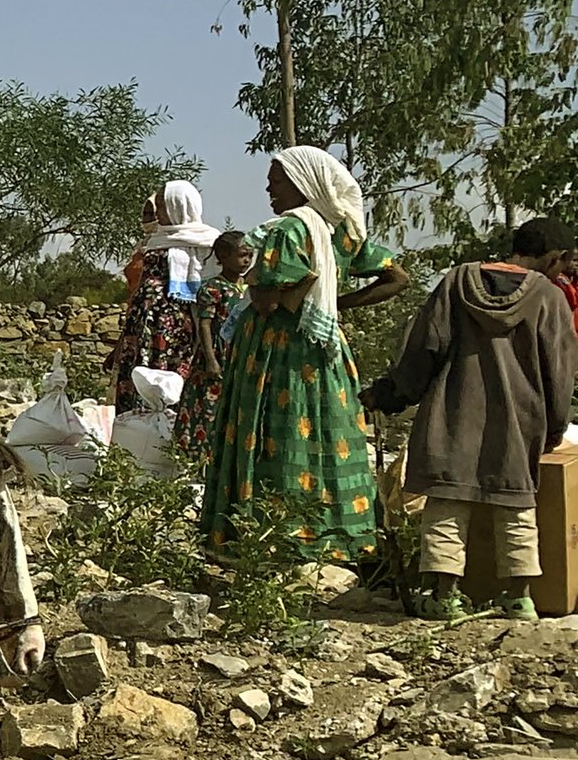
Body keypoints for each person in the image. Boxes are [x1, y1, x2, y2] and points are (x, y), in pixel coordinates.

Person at [199, 147, 412, 561]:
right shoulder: (342, 231)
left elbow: (263, 300)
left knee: (271, 433)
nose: (268, 188)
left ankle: (267, 538)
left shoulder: (286, 231)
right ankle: (338, 536)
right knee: (327, 431)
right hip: (325, 350)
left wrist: (270, 289)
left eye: (276, 180)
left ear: (304, 184)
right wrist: (336, 304)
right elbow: (398, 277)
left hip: (276, 353)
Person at [363, 219, 578, 620]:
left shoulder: (456, 283)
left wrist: (392, 395)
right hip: (520, 421)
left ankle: (444, 596)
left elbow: (424, 348)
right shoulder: (550, 298)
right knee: (516, 505)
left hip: (452, 411)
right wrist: (553, 428)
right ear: (556, 258)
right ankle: (520, 597)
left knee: (446, 502)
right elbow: (561, 373)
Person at [108, 179, 221, 409]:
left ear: (178, 205)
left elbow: (211, 289)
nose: (158, 213)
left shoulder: (206, 242)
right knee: (137, 378)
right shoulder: (154, 241)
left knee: (169, 382)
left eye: (162, 206)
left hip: (177, 330)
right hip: (142, 326)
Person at [177, 228, 257, 457]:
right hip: (217, 356)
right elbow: (204, 324)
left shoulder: (251, 289)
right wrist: (211, 359)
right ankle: (199, 458)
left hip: (241, 356)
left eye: (250, 255)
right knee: (208, 409)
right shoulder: (213, 288)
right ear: (222, 257)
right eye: (242, 255)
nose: (246, 261)